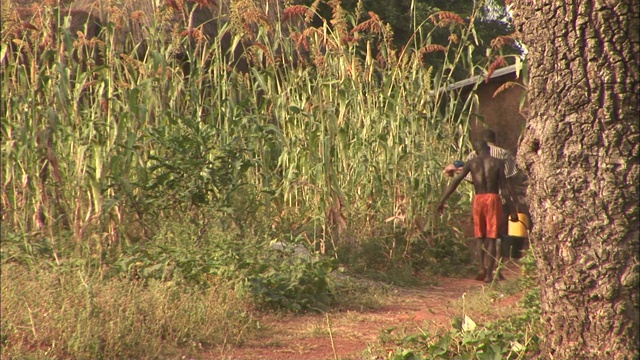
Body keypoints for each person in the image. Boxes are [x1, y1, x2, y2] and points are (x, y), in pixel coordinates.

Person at [437, 139, 518, 283]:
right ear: (488, 148)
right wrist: (513, 209)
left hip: (478, 199)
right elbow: (505, 188)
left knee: (479, 236)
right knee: (493, 236)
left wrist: (442, 200)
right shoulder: (497, 162)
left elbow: (456, 181)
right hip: (493, 198)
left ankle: (481, 268)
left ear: (475, 150)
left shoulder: (472, 163)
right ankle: (489, 274)